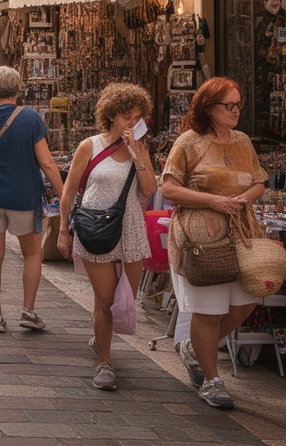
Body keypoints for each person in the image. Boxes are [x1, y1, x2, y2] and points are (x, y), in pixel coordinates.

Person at [160, 77, 267, 410]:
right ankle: (211, 379)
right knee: (208, 310)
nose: (236, 111)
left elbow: (259, 181)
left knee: (247, 301)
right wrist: (213, 201)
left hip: (240, 233)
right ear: (209, 108)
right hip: (201, 237)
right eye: (229, 106)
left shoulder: (243, 141)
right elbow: (169, 188)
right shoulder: (189, 142)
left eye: (238, 105)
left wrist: (245, 197)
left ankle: (194, 348)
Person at [57, 83, 156, 391]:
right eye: (127, 116)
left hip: (130, 227)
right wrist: (63, 230)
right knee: (106, 298)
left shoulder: (140, 149)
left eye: (137, 117)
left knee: (126, 295)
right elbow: (69, 191)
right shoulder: (91, 145)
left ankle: (101, 336)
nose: (131, 122)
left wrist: (137, 153)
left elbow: (150, 190)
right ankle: (104, 361)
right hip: (94, 226)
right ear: (111, 115)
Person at [0, 66, 65, 334]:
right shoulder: (30, 118)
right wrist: (64, 194)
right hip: (23, 195)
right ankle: (28, 310)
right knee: (32, 254)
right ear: (19, 88)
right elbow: (47, 163)